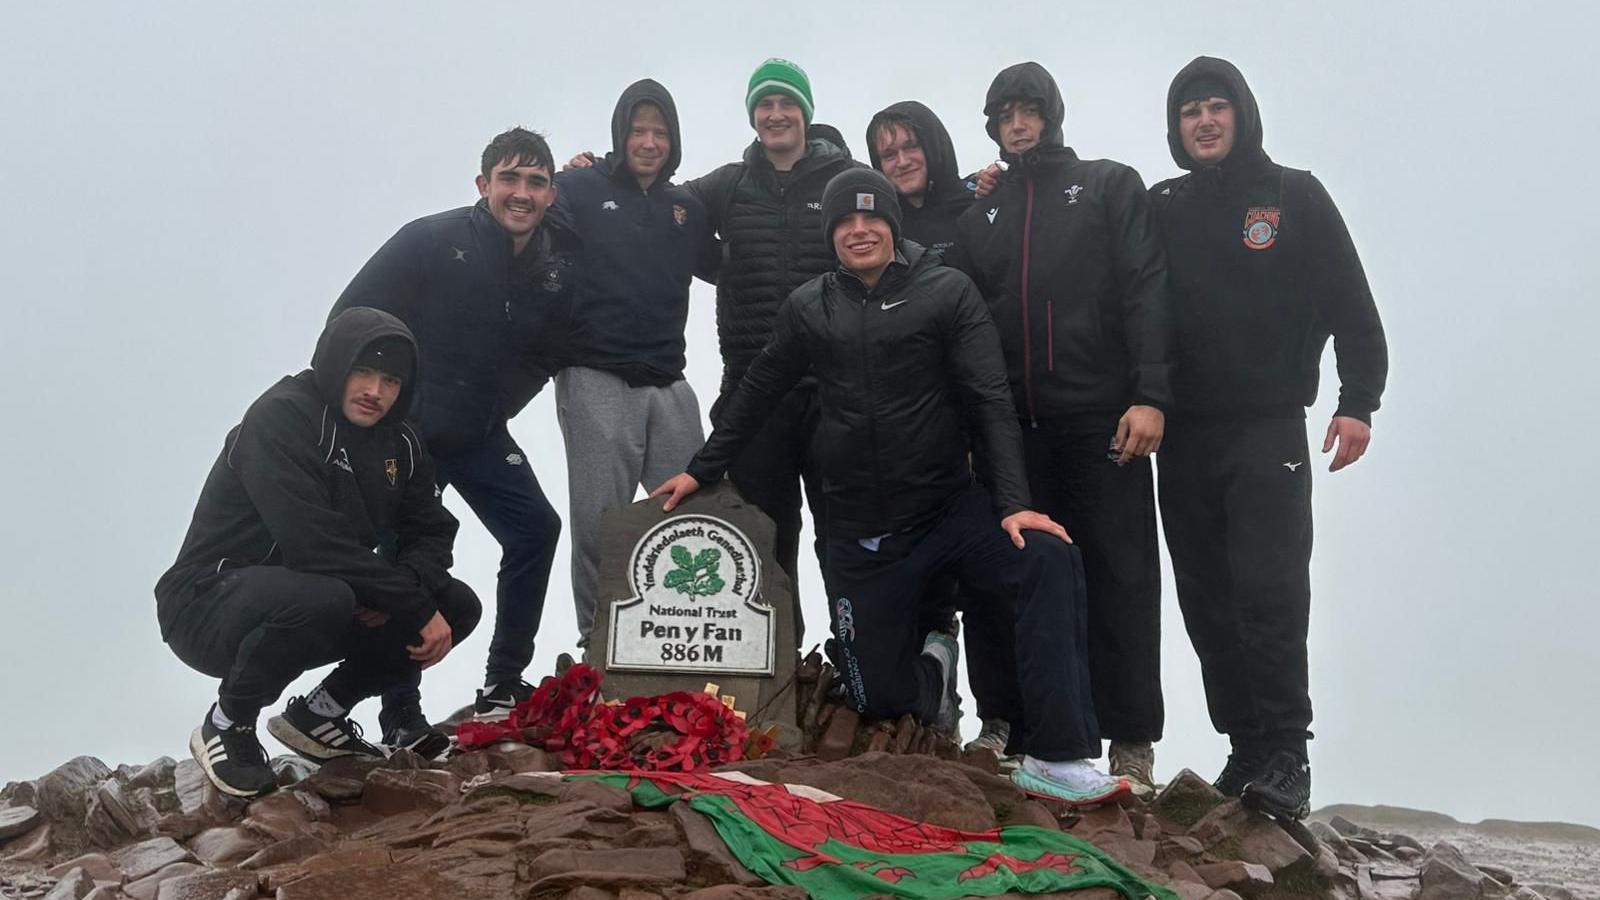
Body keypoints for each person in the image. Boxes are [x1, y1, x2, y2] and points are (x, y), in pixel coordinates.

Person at [652, 169, 1127, 806]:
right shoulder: (809, 305)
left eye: (873, 219)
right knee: (877, 697)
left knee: (1049, 556)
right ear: (832, 235)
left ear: (893, 229)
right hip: (861, 533)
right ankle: (934, 661)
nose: (859, 230)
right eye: (845, 221)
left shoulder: (947, 291)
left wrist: (1015, 504)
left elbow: (990, 399)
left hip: (947, 510)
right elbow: (759, 388)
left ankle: (1060, 757)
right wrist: (701, 468)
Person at [1149, 56, 1388, 820]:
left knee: (1268, 591)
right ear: (1176, 128)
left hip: (1268, 428)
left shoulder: (1294, 196)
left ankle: (1289, 753)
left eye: (1217, 107)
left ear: (1243, 114)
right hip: (1182, 435)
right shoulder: (1162, 206)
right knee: (1205, 600)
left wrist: (1359, 401)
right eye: (1191, 112)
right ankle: (1245, 745)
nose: (1205, 121)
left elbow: (1354, 307)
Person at [946, 61, 1173, 797]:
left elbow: (1146, 290)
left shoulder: (1109, 185)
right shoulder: (982, 212)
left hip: (1103, 419)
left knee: (1120, 575)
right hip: (1013, 428)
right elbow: (959, 316)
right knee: (1009, 578)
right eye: (1003, 113)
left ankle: (1131, 738)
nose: (1017, 123)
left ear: (1052, 113)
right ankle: (1005, 724)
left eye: (1028, 110)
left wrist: (1150, 395)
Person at [155, 308, 481, 798]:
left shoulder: (403, 442)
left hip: (322, 594)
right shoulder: (282, 415)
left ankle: (319, 713)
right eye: (363, 372)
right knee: (330, 594)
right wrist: (399, 597)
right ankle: (228, 723)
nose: (375, 390)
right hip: (206, 602)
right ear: (335, 365)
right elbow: (311, 542)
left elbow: (432, 531)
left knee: (455, 603)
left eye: (390, 380)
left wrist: (404, 589)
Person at [330, 128, 574, 738]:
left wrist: (500, 405)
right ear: (483, 184)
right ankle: (400, 715)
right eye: (509, 179)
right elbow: (351, 321)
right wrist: (380, 413)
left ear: (551, 193)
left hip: (480, 432)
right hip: (406, 436)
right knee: (408, 561)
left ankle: (502, 683)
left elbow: (546, 352)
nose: (521, 193)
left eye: (536, 182)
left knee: (536, 529)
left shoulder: (552, 267)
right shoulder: (431, 239)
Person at [680, 58, 861, 641]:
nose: (776, 114)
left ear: (806, 112)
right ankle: (781, 663)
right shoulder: (728, 184)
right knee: (764, 534)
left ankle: (853, 662)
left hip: (835, 390)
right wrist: (596, 170)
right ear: (753, 116)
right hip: (752, 390)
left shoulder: (845, 178)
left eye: (787, 103)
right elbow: (660, 207)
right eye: (765, 105)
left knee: (841, 531)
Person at [865, 99, 1017, 755]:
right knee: (915, 566)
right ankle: (930, 708)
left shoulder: (975, 204)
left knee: (985, 568)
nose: (899, 160)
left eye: (908, 146)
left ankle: (1003, 719)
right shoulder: (876, 225)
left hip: (975, 411)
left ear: (932, 145)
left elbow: (1006, 292)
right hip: (907, 420)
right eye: (886, 152)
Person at [550, 79, 716, 649]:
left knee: (697, 515)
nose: (649, 142)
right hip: (595, 374)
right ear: (619, 134)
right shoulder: (576, 187)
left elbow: (735, 266)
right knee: (601, 524)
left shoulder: (686, 207)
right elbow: (518, 230)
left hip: (668, 379)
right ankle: (596, 647)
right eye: (638, 130)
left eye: (661, 132)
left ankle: (686, 644)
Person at [864, 101, 977, 253]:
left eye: (911, 147)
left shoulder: (978, 205)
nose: (903, 162)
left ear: (934, 146)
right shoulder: (877, 227)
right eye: (889, 155)